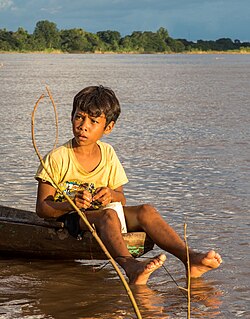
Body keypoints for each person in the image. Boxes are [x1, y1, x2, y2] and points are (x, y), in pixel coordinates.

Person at [35, 85, 222, 285]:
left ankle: (189, 258)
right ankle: (131, 267)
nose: (83, 126)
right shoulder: (57, 158)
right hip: (72, 218)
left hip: (105, 214)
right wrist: (72, 203)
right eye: (79, 117)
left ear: (108, 128)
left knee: (146, 211)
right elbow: (42, 208)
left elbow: (120, 198)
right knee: (109, 215)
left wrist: (110, 195)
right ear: (71, 117)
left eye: (93, 121)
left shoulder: (107, 153)